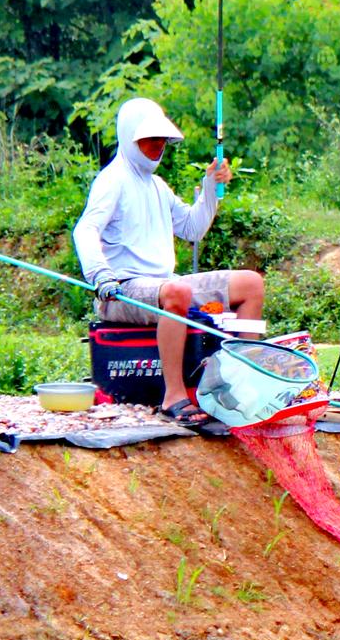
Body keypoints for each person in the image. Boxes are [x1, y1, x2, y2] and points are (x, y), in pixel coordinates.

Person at [73, 97, 265, 427]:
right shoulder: (113, 179)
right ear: (130, 138)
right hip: (121, 292)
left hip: (165, 286)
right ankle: (174, 395)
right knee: (176, 291)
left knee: (251, 283)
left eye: (161, 139)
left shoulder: (157, 186)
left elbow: (192, 228)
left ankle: (243, 385)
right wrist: (100, 275)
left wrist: (210, 188)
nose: (158, 146)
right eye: (149, 140)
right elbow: (86, 228)